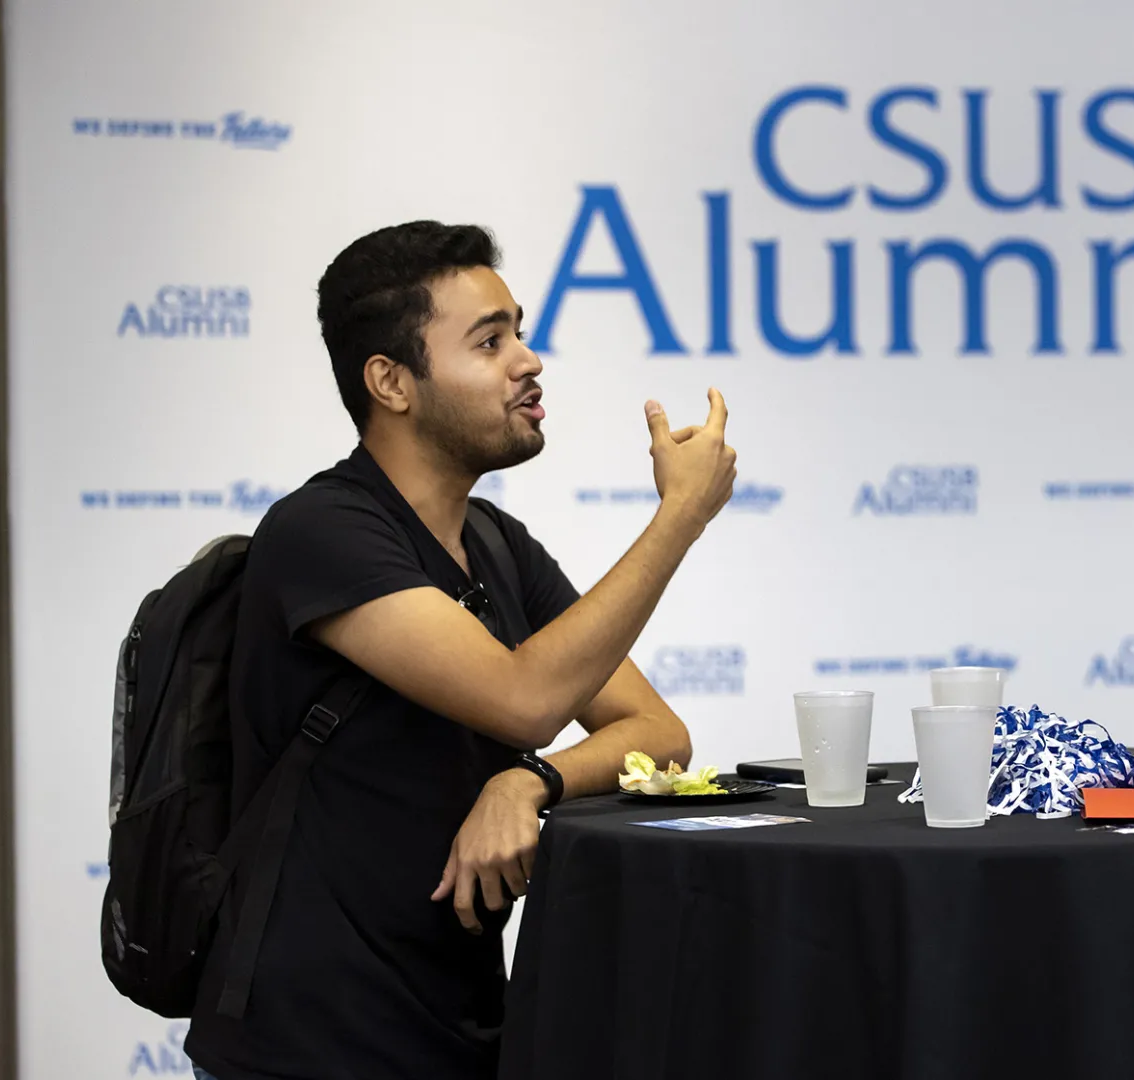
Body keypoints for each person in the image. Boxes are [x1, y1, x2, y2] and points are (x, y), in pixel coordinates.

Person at [184, 221, 739, 1079]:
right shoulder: (321, 532)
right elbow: (523, 700)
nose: (529, 361)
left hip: (461, 1026)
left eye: (519, 332)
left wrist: (529, 781)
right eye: (490, 342)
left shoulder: (496, 542)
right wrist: (679, 517)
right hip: (312, 1041)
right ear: (391, 383)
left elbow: (659, 734)